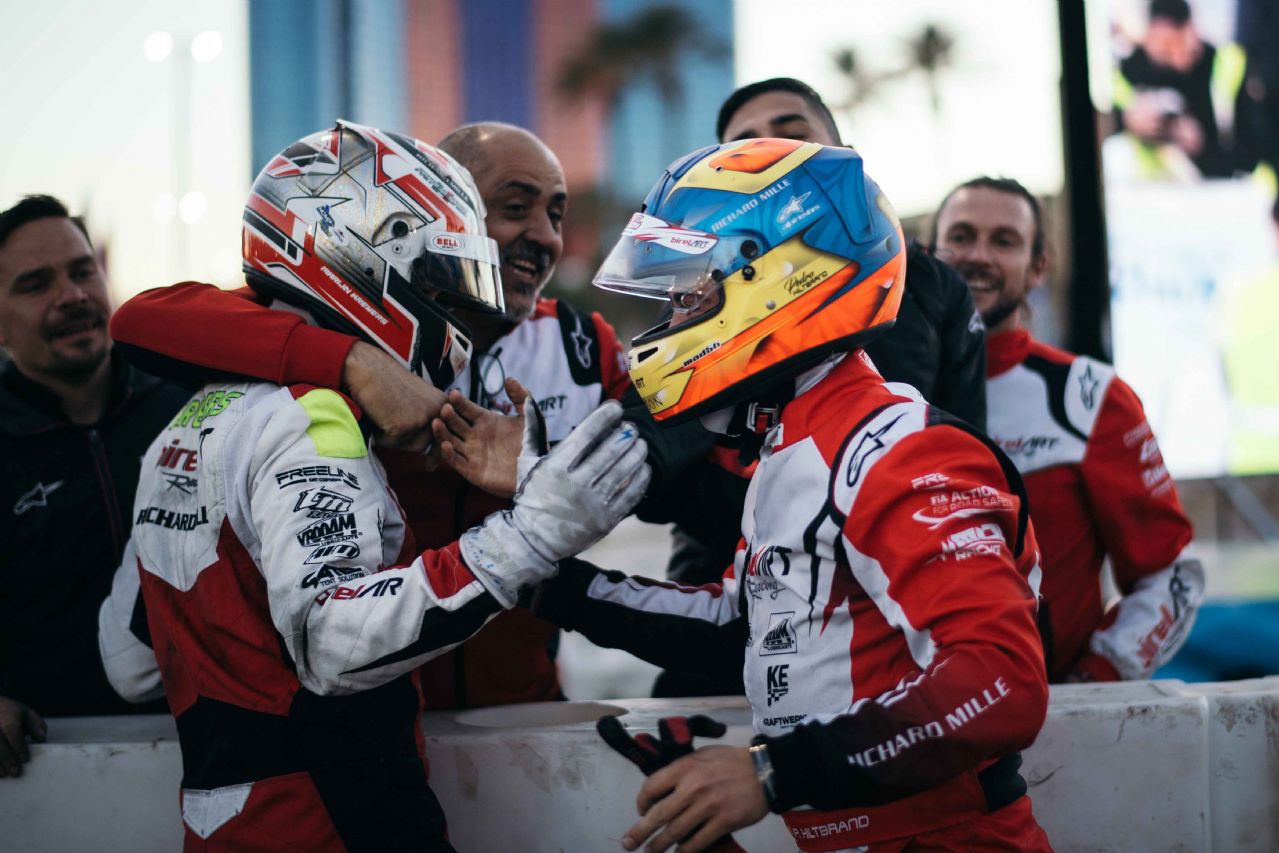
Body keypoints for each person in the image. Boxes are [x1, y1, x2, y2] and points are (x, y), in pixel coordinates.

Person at [97, 121, 649, 850]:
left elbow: (130, 660)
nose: (454, 306)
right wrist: (533, 530)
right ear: (362, 255)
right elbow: (336, 642)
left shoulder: (192, 417)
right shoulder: (312, 413)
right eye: (440, 281)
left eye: (556, 212)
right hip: (340, 813)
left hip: (222, 817)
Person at [530, 139, 1051, 851]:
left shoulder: (896, 445)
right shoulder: (792, 442)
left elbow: (1003, 681)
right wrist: (542, 582)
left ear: (773, 280)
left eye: (689, 292)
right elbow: (743, 624)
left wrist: (774, 774)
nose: (674, 319)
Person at [638, 77, 988, 697]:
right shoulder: (700, 289)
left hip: (880, 633)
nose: (766, 154)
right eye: (743, 146)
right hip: (720, 617)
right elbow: (662, 462)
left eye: (790, 133)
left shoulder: (931, 286)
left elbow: (964, 451)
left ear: (842, 153)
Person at [930, 175, 1205, 682]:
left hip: (1052, 714)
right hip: (904, 720)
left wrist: (1095, 680)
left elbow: (1170, 575)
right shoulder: (883, 388)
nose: (979, 256)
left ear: (1038, 267)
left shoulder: (1089, 396)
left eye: (1004, 241)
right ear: (931, 255)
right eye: (961, 237)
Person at [0, 195, 187, 777]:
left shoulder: (190, 406)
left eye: (82, 271)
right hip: (46, 775)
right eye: (36, 285)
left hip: (207, 756)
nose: (73, 296)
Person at [1112, 0, 1235, 179]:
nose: (1175, 57)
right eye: (1165, 49)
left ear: (1192, 31)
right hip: (1143, 187)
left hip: (1212, 185)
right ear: (1150, 35)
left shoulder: (1223, 65)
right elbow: (1102, 123)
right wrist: (1129, 120)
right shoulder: (1129, 70)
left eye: (1179, 44)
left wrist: (1200, 144)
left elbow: (1246, 149)